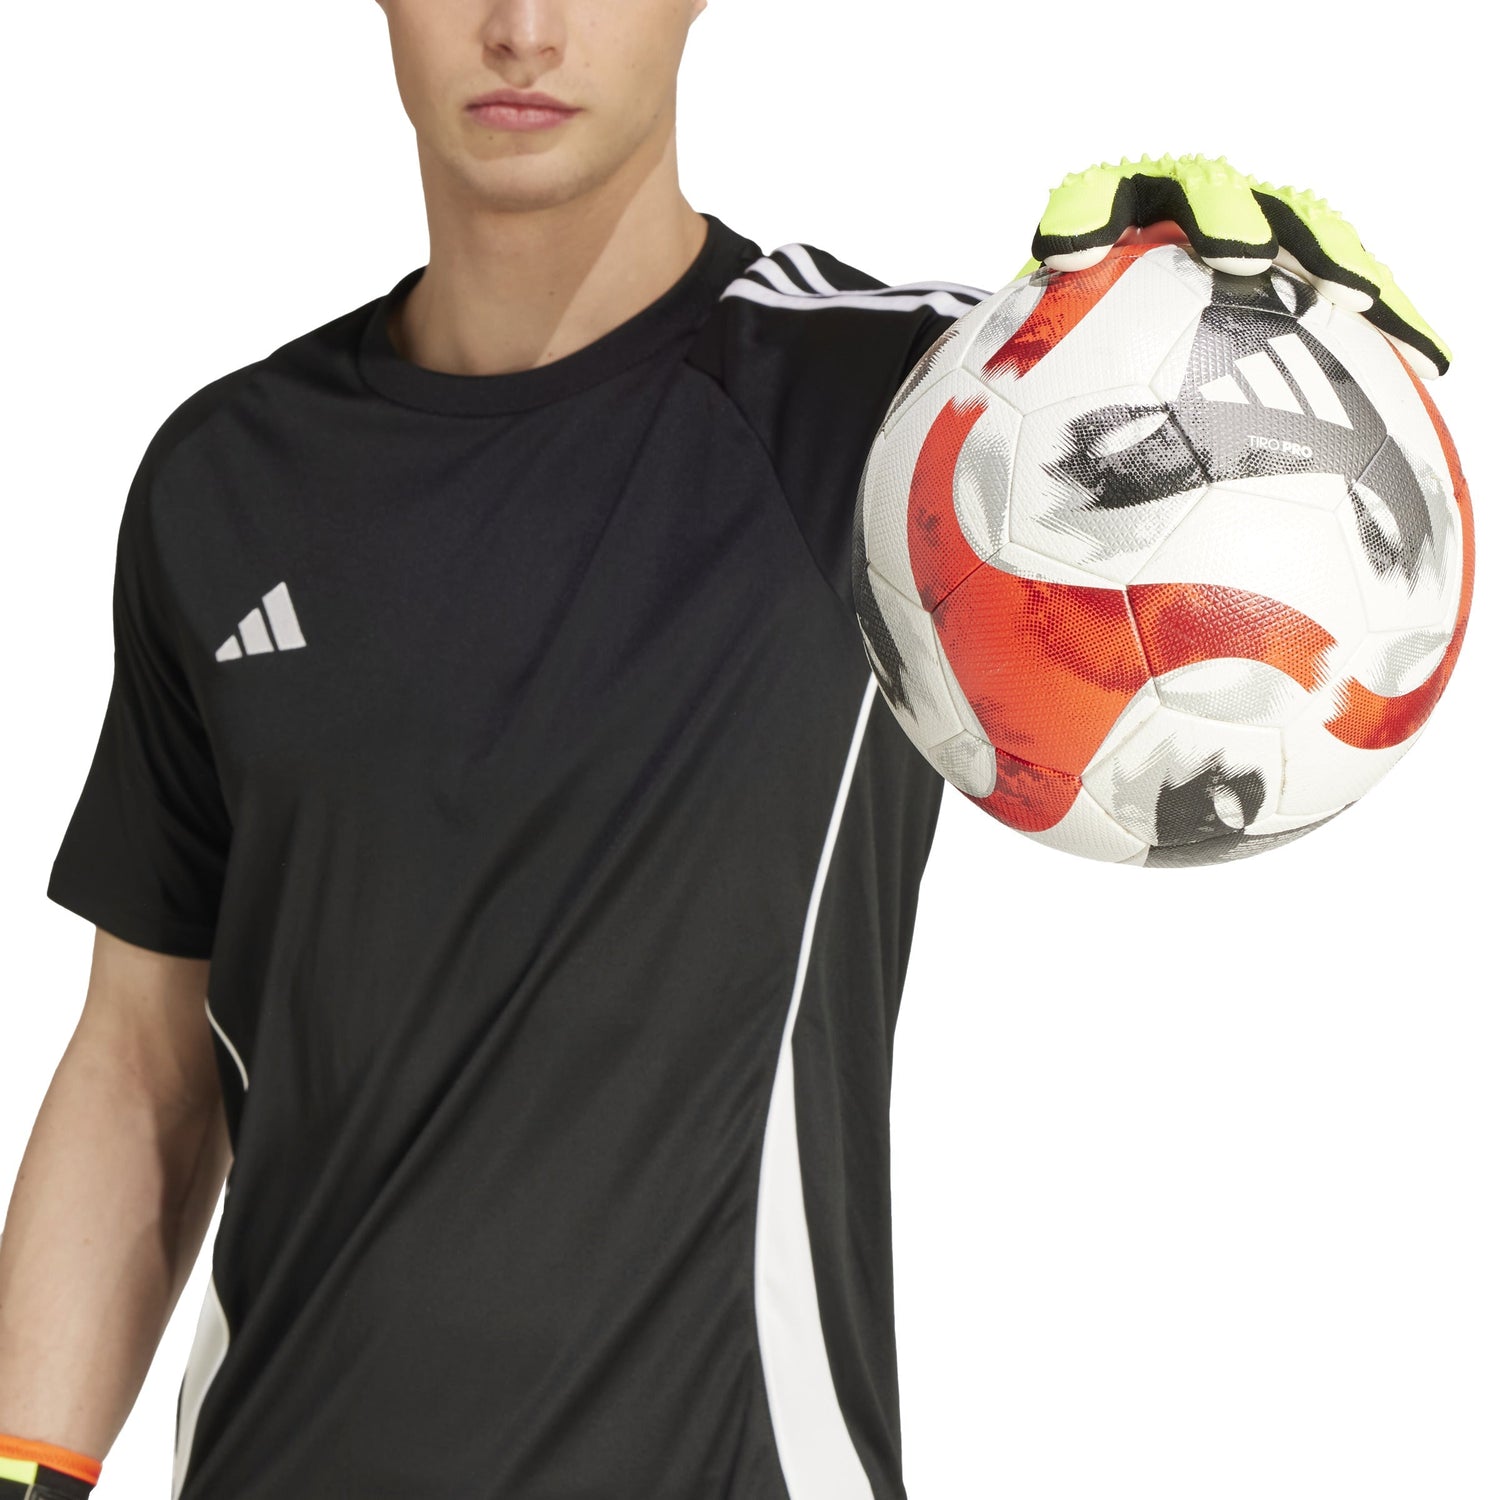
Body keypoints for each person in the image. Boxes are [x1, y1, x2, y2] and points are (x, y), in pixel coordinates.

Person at [0, 3, 1447, 1497]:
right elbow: (142, 1067)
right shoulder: (225, 479)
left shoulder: (905, 414)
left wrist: (1235, 327)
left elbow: (1143, 439)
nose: (522, 28)